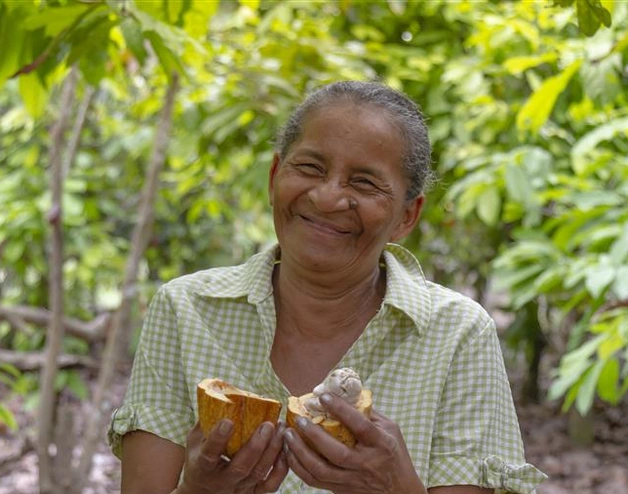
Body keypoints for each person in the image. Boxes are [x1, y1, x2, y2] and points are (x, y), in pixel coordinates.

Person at [108, 80, 546, 494]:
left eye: (364, 182)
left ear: (407, 217)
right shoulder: (187, 310)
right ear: (275, 175)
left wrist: (397, 486)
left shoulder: (457, 333)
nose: (328, 197)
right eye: (310, 167)